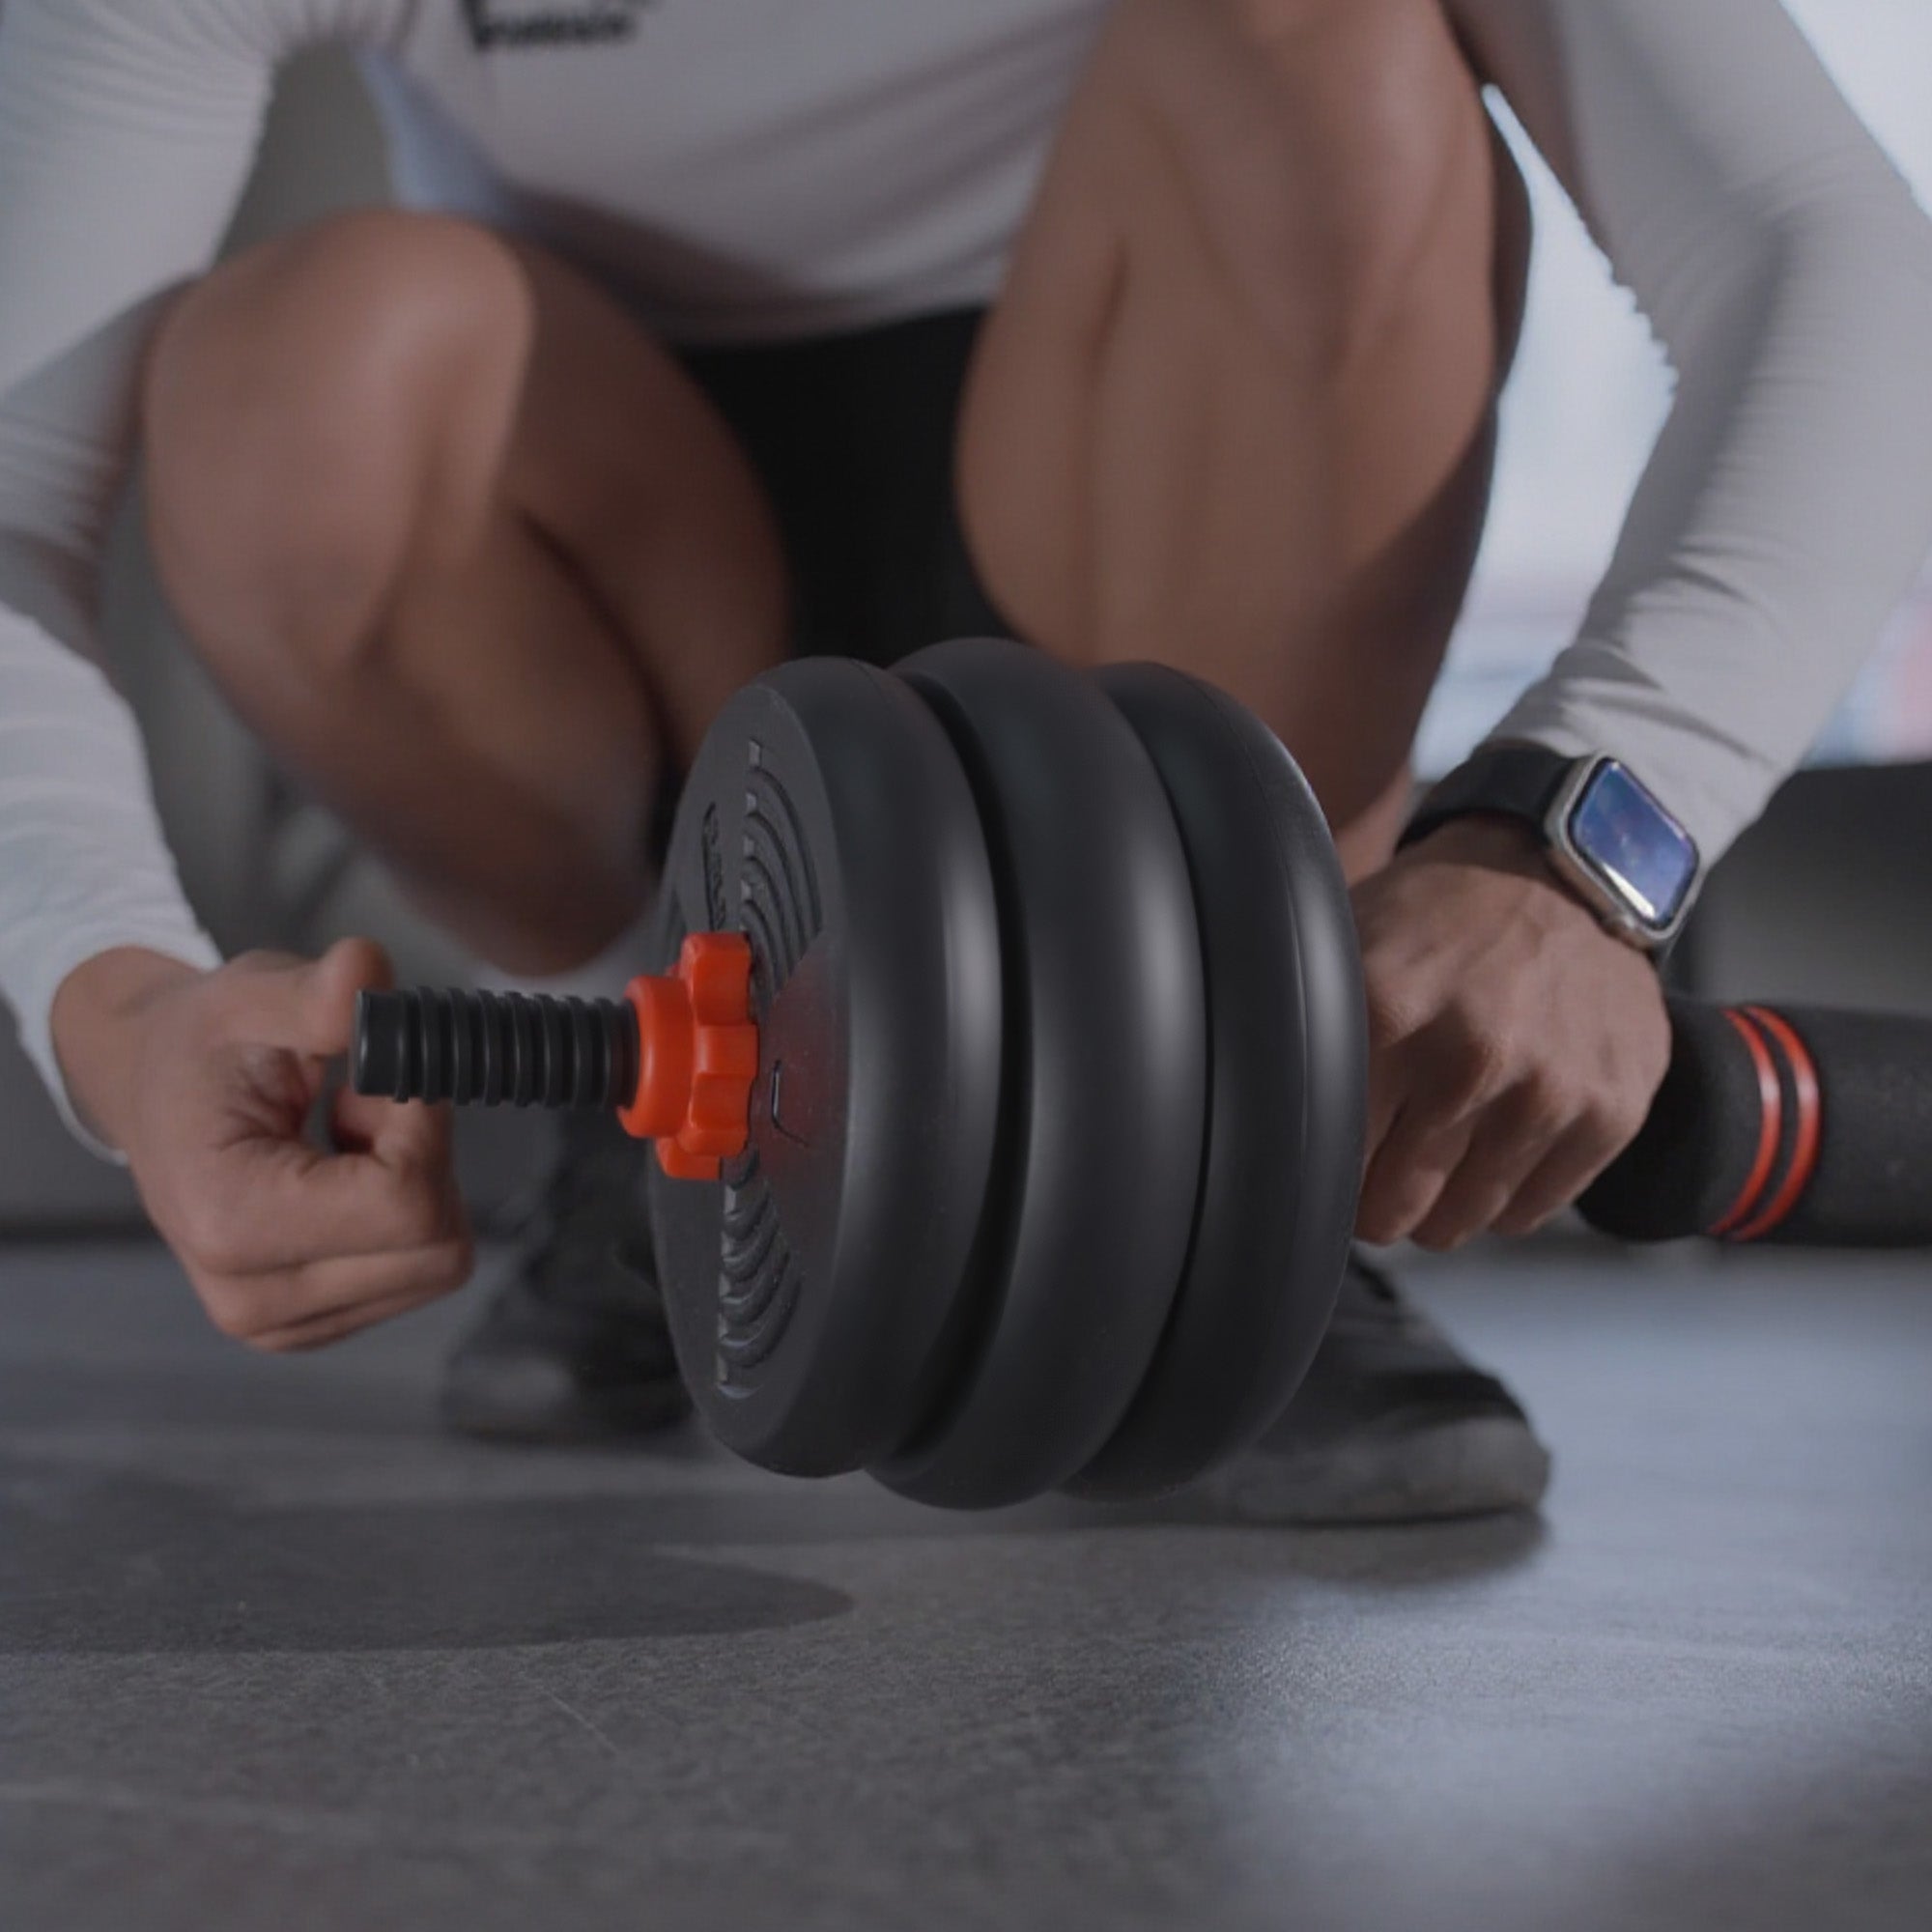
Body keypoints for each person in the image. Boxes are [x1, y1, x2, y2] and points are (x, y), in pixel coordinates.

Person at [3, 0, 1929, 1521]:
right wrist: (121, 1024)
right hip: (632, 589)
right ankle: (635, 1099)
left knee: (1313, 42)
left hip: (1155, 501)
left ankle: (1224, 1146)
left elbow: (1827, 250)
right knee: (290, 377)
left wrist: (1573, 849)